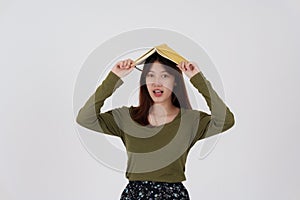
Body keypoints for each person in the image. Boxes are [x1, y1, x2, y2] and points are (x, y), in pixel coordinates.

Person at [76, 50, 235, 199]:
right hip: (134, 195)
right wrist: (114, 77)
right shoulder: (127, 117)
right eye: (150, 75)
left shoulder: (190, 121)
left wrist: (197, 78)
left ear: (175, 81)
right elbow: (85, 118)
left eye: (165, 76)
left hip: (173, 195)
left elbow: (225, 120)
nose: (156, 83)